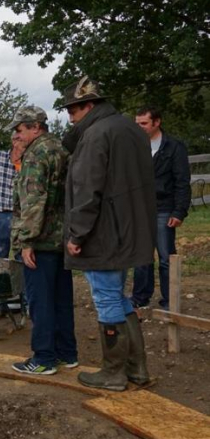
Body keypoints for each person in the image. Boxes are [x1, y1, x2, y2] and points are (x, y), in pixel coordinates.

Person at [61, 77, 157, 391]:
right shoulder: (131, 129)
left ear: (88, 106)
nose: (69, 117)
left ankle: (113, 372)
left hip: (104, 233)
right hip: (129, 229)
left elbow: (88, 190)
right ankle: (137, 369)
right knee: (118, 296)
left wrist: (76, 234)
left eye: (72, 110)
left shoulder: (95, 134)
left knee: (106, 299)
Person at [7, 106, 76, 375]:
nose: (18, 135)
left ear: (36, 127)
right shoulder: (61, 149)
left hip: (41, 241)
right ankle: (67, 353)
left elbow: (33, 202)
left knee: (40, 301)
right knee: (61, 298)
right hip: (62, 237)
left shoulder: (36, 155)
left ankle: (44, 358)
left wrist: (26, 241)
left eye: (20, 129)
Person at [130, 106, 191, 310]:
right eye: (136, 123)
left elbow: (182, 181)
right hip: (140, 208)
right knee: (141, 256)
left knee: (165, 256)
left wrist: (179, 211)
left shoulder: (174, 147)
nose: (139, 127)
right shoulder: (134, 146)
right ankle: (140, 297)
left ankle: (169, 301)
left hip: (164, 207)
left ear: (157, 122)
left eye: (144, 123)